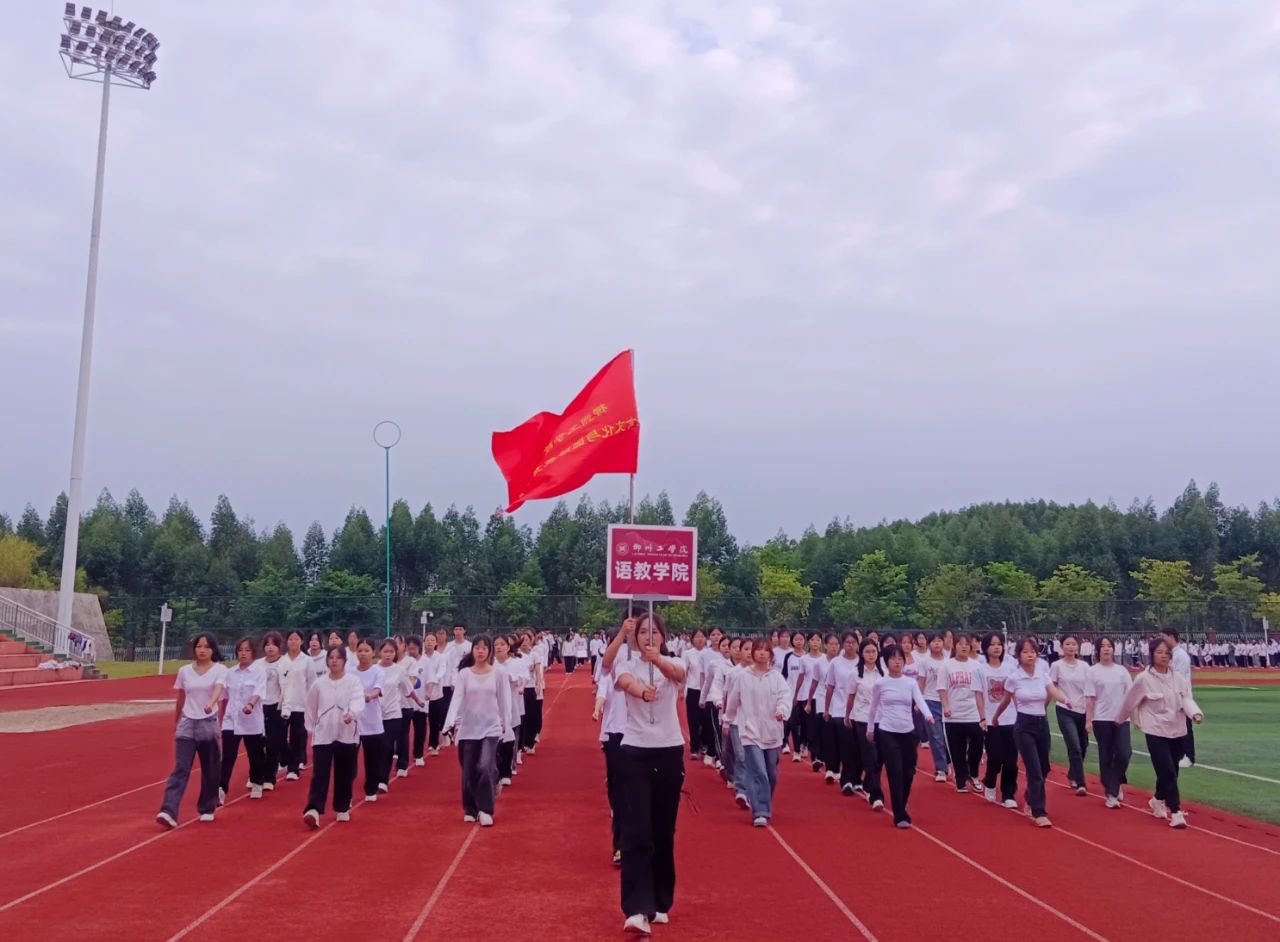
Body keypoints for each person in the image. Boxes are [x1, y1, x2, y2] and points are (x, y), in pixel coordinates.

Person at [613, 613, 686, 935]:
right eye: (643, 631)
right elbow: (625, 684)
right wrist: (643, 692)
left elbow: (676, 675)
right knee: (636, 832)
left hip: (669, 750)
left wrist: (659, 662)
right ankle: (636, 909)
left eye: (654, 632)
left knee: (662, 831)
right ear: (635, 635)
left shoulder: (675, 662)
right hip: (634, 752)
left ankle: (659, 900)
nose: (648, 636)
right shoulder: (625, 663)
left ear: (663, 636)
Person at [1118, 638, 1205, 829]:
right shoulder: (1143, 679)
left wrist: (1196, 713)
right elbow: (1129, 702)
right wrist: (1120, 720)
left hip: (1177, 729)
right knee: (1166, 770)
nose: (1164, 656)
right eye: (1159, 652)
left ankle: (1158, 798)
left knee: (1172, 770)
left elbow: (1187, 699)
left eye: (1167, 653)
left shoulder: (1178, 679)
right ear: (1152, 654)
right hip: (1155, 729)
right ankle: (1176, 812)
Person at [993, 637, 1071, 828]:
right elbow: (1005, 700)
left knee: (1044, 769)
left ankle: (1030, 796)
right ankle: (1039, 811)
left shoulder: (1042, 675)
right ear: (1019, 655)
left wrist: (1065, 699)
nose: (1030, 655)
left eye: (1033, 652)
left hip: (1041, 724)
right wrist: (995, 717)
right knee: (1034, 770)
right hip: (1023, 726)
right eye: (1026, 652)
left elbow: (1053, 691)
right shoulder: (1014, 678)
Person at [157, 634, 227, 828]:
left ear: (213, 650)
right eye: (199, 646)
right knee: (181, 769)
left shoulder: (220, 670)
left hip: (208, 723)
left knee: (210, 768)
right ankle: (168, 810)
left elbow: (218, 689)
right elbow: (181, 697)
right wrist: (177, 722)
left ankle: (207, 807)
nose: (202, 650)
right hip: (188, 723)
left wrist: (210, 704)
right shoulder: (185, 671)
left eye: (206, 647)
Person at [442, 635, 511, 827]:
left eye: (484, 648)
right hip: (468, 728)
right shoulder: (464, 674)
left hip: (491, 727)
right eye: (477, 648)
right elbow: (456, 699)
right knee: (469, 770)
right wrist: (449, 723)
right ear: (472, 650)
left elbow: (504, 701)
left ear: (489, 651)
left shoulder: (498, 674)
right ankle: (470, 808)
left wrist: (507, 725)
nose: (480, 651)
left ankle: (486, 809)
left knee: (486, 765)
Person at [866, 644, 933, 828]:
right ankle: (900, 814)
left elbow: (919, 699)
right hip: (887, 731)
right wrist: (870, 729)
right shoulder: (880, 683)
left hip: (908, 732)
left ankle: (901, 803)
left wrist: (928, 715)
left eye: (900, 658)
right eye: (893, 658)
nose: (897, 661)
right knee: (895, 771)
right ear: (886, 661)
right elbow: (873, 709)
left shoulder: (910, 683)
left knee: (908, 773)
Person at [727, 639, 791, 827]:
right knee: (758, 771)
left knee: (771, 773)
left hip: (772, 731)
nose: (762, 653)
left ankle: (763, 800)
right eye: (759, 650)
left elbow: (785, 697)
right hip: (750, 731)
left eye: (766, 651)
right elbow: (733, 700)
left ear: (771, 655)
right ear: (753, 653)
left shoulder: (777, 677)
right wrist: (727, 719)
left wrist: (782, 711)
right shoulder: (743, 676)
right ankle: (760, 811)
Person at [303, 645, 364, 827]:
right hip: (323, 734)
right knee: (320, 773)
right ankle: (314, 809)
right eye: (331, 657)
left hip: (346, 733)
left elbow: (358, 700)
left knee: (344, 772)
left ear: (345, 661)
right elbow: (311, 706)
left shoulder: (353, 681)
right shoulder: (319, 684)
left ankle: (342, 806)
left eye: (338, 657)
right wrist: (315, 726)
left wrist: (351, 714)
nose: (334, 661)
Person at [1085, 636, 1133, 808]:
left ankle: (1116, 781)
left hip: (1121, 718)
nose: (1106, 649)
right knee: (1106, 754)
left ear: (1114, 649)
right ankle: (1111, 793)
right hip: (1101, 718)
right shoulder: (1092, 671)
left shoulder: (1122, 671)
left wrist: (1133, 716)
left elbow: (1131, 696)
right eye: (1103, 646)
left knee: (1124, 753)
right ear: (1098, 650)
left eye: (1109, 646)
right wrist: (1088, 720)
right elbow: (1090, 698)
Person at [971, 633, 1018, 808]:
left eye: (999, 644)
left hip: (1011, 720)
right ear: (985, 648)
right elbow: (979, 695)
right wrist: (982, 717)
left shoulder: (1010, 669)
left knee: (1011, 760)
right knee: (996, 757)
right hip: (992, 721)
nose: (997, 647)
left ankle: (1008, 793)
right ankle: (990, 781)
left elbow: (1015, 694)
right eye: (992, 644)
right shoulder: (980, 670)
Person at [218, 637, 267, 803]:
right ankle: (221, 788)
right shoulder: (230, 673)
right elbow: (224, 697)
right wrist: (221, 719)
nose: (243, 653)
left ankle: (256, 782)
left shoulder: (259, 672)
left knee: (255, 754)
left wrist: (250, 705)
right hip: (231, 720)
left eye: (247, 650)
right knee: (228, 756)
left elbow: (258, 692)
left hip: (251, 720)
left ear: (253, 653)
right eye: (240, 650)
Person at [937, 633, 983, 794]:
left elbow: (980, 691)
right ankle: (961, 780)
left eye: (966, 644)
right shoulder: (946, 665)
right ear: (954, 646)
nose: (963, 646)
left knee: (978, 745)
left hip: (973, 713)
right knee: (957, 750)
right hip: (953, 715)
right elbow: (942, 688)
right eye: (960, 644)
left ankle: (974, 773)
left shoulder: (976, 666)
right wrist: (946, 706)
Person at [844, 638, 885, 811]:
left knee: (880, 758)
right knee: (870, 756)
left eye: (873, 651)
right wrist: (847, 715)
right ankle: (876, 795)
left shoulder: (883, 673)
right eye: (867, 651)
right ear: (862, 653)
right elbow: (851, 696)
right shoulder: (855, 674)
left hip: (882, 720)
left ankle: (869, 785)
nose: (870, 655)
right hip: (862, 718)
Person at [1049, 634, 1091, 795]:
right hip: (1065, 709)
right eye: (1067, 644)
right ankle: (1081, 782)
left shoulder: (1085, 667)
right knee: (1074, 746)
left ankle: (1072, 773)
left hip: (1082, 709)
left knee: (1083, 746)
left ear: (1078, 647)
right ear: (1062, 647)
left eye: (1074, 644)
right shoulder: (1056, 666)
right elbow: (1051, 687)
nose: (1071, 647)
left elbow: (1090, 690)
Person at [826, 632, 862, 796]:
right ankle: (847, 779)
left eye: (853, 642)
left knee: (859, 746)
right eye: (847, 642)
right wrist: (827, 709)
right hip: (840, 709)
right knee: (847, 745)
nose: (850, 645)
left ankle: (857, 778)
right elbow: (830, 686)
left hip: (860, 711)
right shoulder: (835, 663)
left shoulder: (862, 661)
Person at [352, 638, 386, 803]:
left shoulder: (378, 671)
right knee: (350, 759)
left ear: (373, 653)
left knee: (372, 759)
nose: (363, 654)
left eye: (366, 651)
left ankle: (371, 788)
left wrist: (368, 696)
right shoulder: (350, 672)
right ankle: (346, 792)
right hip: (353, 722)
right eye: (360, 651)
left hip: (373, 722)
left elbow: (377, 690)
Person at [376, 638, 411, 791]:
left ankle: (383, 780)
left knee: (387, 744)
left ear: (395, 653)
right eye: (385, 651)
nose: (388, 654)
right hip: (375, 715)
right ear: (379, 652)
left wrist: (417, 700)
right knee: (376, 746)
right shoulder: (374, 669)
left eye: (391, 652)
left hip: (393, 714)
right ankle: (375, 775)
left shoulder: (399, 670)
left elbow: (408, 689)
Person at [1161, 629, 1196, 769]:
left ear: (1171, 637)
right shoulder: (1171, 654)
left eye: (1164, 637)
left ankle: (1189, 756)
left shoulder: (1181, 656)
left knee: (1185, 727)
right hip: (1171, 696)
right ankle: (1179, 754)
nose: (1162, 640)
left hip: (1182, 697)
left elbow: (1177, 678)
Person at [279, 630, 311, 780]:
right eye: (290, 639)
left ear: (301, 641)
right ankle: (285, 758)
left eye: (296, 639)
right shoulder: (282, 660)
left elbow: (311, 683)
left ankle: (293, 769)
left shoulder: (307, 661)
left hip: (300, 703)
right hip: (283, 703)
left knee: (297, 736)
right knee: (279, 736)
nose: (293, 641)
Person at [918, 633, 950, 783]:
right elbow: (922, 682)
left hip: (947, 701)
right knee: (936, 736)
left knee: (947, 737)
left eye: (939, 641)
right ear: (929, 644)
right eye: (934, 641)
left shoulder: (949, 661)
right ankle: (941, 768)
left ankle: (948, 761)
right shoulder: (924, 662)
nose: (937, 644)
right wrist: (919, 702)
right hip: (930, 700)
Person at [493, 635, 523, 788]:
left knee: (508, 741)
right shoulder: (489, 665)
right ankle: (496, 772)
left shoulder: (515, 663)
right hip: (493, 709)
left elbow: (519, 680)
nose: (498, 647)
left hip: (510, 706)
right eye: (496, 644)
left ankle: (506, 772)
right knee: (494, 742)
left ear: (508, 647)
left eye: (502, 644)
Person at [681, 629, 709, 764]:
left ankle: (704, 743)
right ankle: (694, 748)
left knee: (706, 720)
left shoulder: (709, 654)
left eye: (702, 636)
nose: (699, 639)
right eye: (697, 636)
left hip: (707, 690)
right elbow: (683, 672)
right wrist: (681, 689)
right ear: (692, 639)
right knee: (693, 720)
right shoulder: (687, 654)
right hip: (693, 690)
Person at [782, 631, 809, 762]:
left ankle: (804, 745)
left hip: (806, 695)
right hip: (792, 694)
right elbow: (785, 675)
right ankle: (795, 749)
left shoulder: (808, 657)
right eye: (796, 639)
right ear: (792, 641)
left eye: (801, 639)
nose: (799, 641)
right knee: (792, 722)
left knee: (805, 723)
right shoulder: (789, 657)